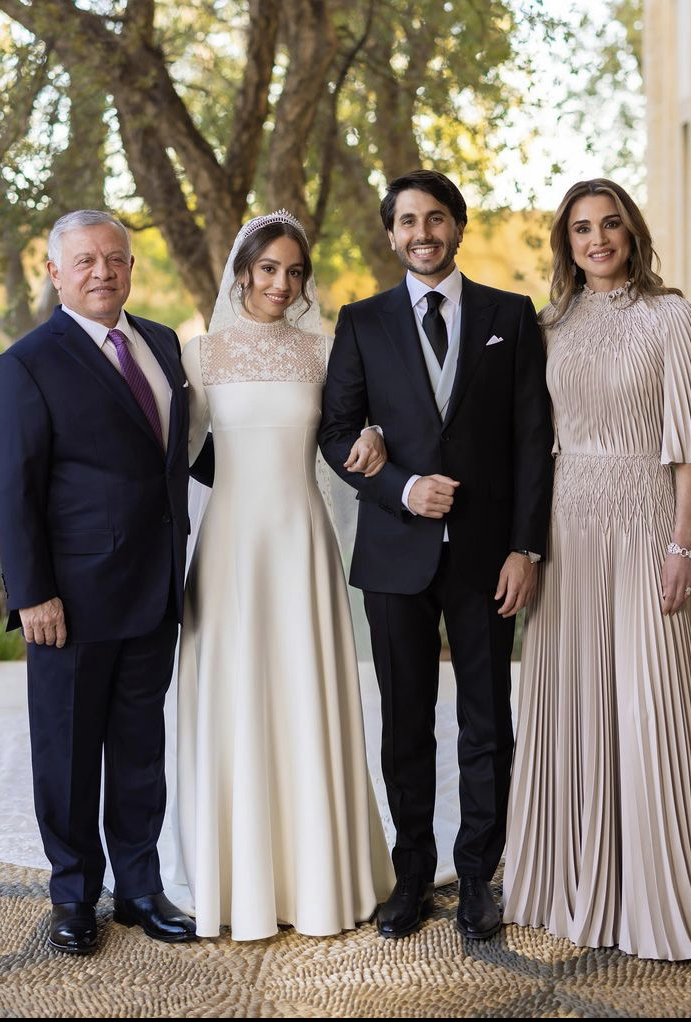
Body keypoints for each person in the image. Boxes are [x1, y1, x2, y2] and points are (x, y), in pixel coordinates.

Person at [501, 179, 691, 960]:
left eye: (610, 224)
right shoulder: (550, 325)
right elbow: (519, 435)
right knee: (570, 699)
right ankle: (569, 886)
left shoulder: (673, 318)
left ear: (632, 232)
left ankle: (661, 897)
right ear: (567, 244)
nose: (598, 239)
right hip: (566, 526)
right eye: (582, 229)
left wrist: (683, 543)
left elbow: (690, 446)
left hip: (644, 522)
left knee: (652, 703)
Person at [319, 170, 554, 940]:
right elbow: (336, 431)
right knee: (405, 721)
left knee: (488, 721)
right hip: (395, 555)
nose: (422, 233)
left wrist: (526, 547)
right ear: (391, 234)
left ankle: (479, 873)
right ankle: (412, 872)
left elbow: (531, 442)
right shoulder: (362, 322)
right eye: (408, 221)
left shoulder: (510, 316)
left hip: (488, 556)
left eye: (435, 218)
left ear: (457, 225)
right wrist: (402, 487)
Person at [175, 209, 394, 941]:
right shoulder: (201, 356)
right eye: (268, 268)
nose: (281, 283)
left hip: (301, 542)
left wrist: (373, 434)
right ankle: (237, 880)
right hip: (230, 545)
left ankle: (319, 877)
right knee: (235, 695)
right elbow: (176, 455)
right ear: (242, 272)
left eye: (294, 271)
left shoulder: (324, 352)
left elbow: (353, 428)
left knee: (304, 691)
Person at [0, 210, 196, 955]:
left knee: (141, 751)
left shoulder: (162, 343)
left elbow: (175, 455)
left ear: (131, 265)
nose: (102, 271)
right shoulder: (26, 363)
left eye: (114, 258)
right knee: (69, 755)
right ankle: (73, 895)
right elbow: (12, 490)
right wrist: (31, 592)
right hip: (70, 601)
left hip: (155, 587)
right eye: (84, 261)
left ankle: (139, 890)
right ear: (55, 273)